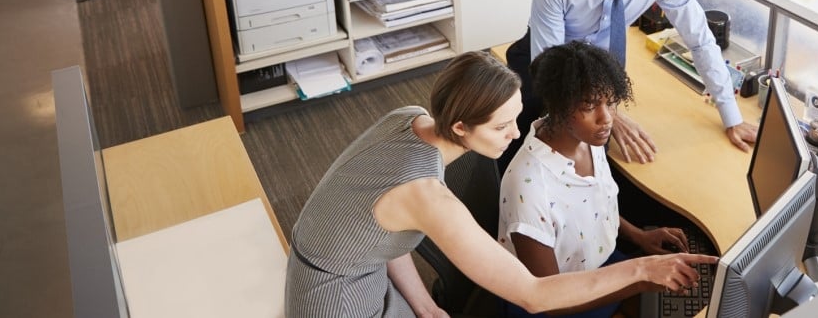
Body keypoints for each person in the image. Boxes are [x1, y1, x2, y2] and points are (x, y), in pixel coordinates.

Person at [285, 51, 712, 318]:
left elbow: (381, 232)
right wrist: (640, 269)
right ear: (460, 126)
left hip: (357, 267)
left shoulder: (409, 116)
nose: (514, 135)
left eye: (517, 117)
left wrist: (425, 305)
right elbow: (533, 294)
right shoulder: (427, 195)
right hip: (332, 302)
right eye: (502, 126)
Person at [504, 0, 758, 169]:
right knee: (530, 139)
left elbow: (700, 39)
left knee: (607, 152)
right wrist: (609, 113)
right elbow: (552, 68)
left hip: (601, 65)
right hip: (548, 61)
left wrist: (732, 117)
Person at [499, 42, 691, 318]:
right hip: (557, 301)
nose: (606, 118)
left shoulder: (588, 140)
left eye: (611, 103)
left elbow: (596, 203)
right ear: (559, 105)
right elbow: (547, 299)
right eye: (590, 106)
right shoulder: (528, 188)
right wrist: (636, 280)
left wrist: (640, 235)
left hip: (601, 265)